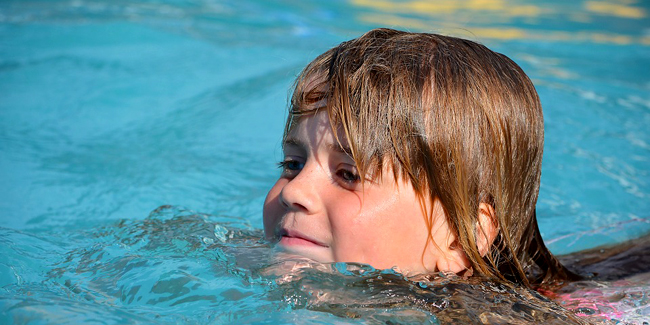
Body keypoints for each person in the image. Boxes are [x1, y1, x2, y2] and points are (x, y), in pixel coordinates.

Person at [262, 28, 579, 290]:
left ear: (459, 236)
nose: (294, 192)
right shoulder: (247, 257)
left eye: (348, 174)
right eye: (293, 164)